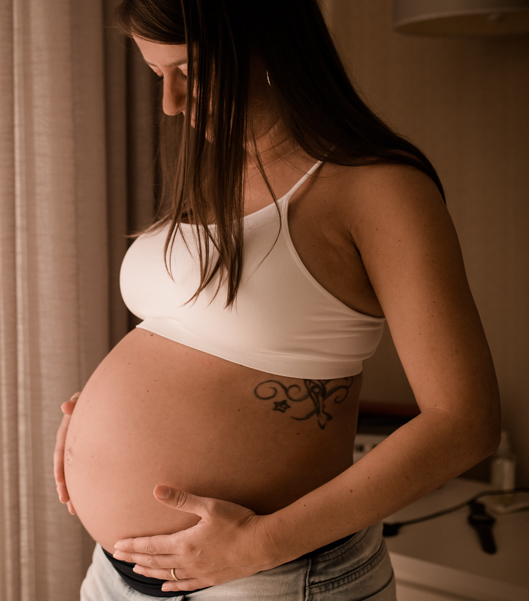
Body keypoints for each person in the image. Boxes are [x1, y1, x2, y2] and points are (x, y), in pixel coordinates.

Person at [53, 0, 501, 599]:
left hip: (270, 577)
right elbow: (194, 336)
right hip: (119, 575)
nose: (170, 103)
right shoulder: (218, 172)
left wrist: (259, 544)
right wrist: (97, 419)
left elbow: (465, 423)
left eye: (189, 70)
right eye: (157, 74)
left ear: (267, 45)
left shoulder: (377, 187)